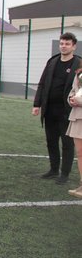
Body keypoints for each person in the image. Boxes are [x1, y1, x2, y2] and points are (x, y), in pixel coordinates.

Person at [32, 32, 81, 185]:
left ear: (74, 46)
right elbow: (42, 83)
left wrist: (77, 99)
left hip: (68, 112)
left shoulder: (79, 64)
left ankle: (64, 174)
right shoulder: (52, 61)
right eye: (61, 43)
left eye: (67, 44)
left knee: (67, 144)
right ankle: (53, 170)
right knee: (51, 141)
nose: (63, 46)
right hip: (49, 110)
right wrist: (37, 104)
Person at [66, 68, 82, 198]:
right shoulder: (79, 73)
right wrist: (71, 99)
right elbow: (73, 91)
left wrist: (80, 101)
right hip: (78, 116)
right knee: (80, 153)